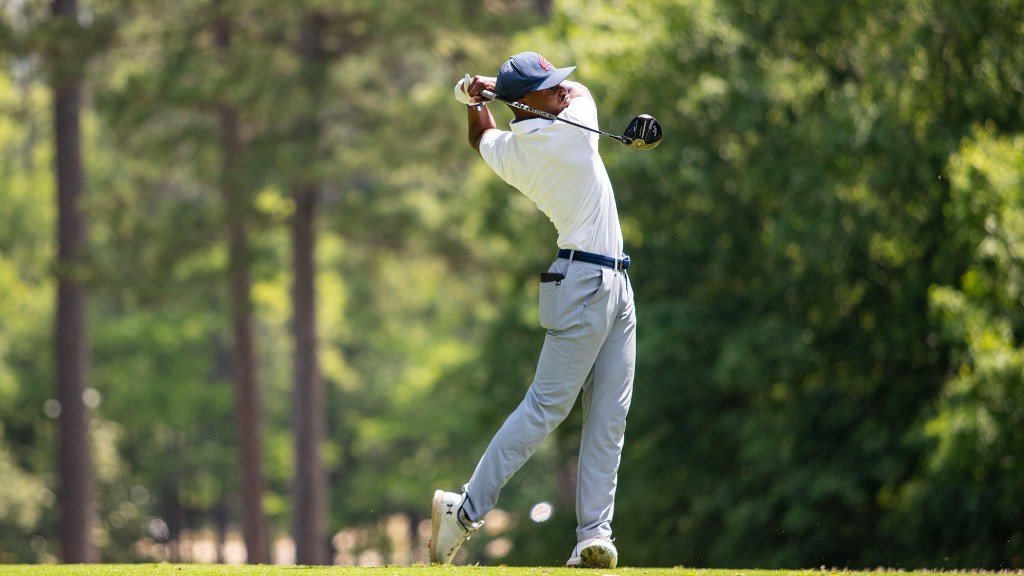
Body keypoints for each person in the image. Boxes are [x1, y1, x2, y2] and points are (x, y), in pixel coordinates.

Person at [429, 52, 636, 569]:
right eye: (550, 89)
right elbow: (586, 91)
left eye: (559, 84)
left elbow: (480, 137)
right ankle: (467, 509)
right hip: (586, 281)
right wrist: (488, 89)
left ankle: (594, 536)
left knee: (610, 414)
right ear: (525, 104)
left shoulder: (511, 150)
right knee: (545, 408)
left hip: (612, 283)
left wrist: (476, 97)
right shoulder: (575, 128)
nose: (564, 91)